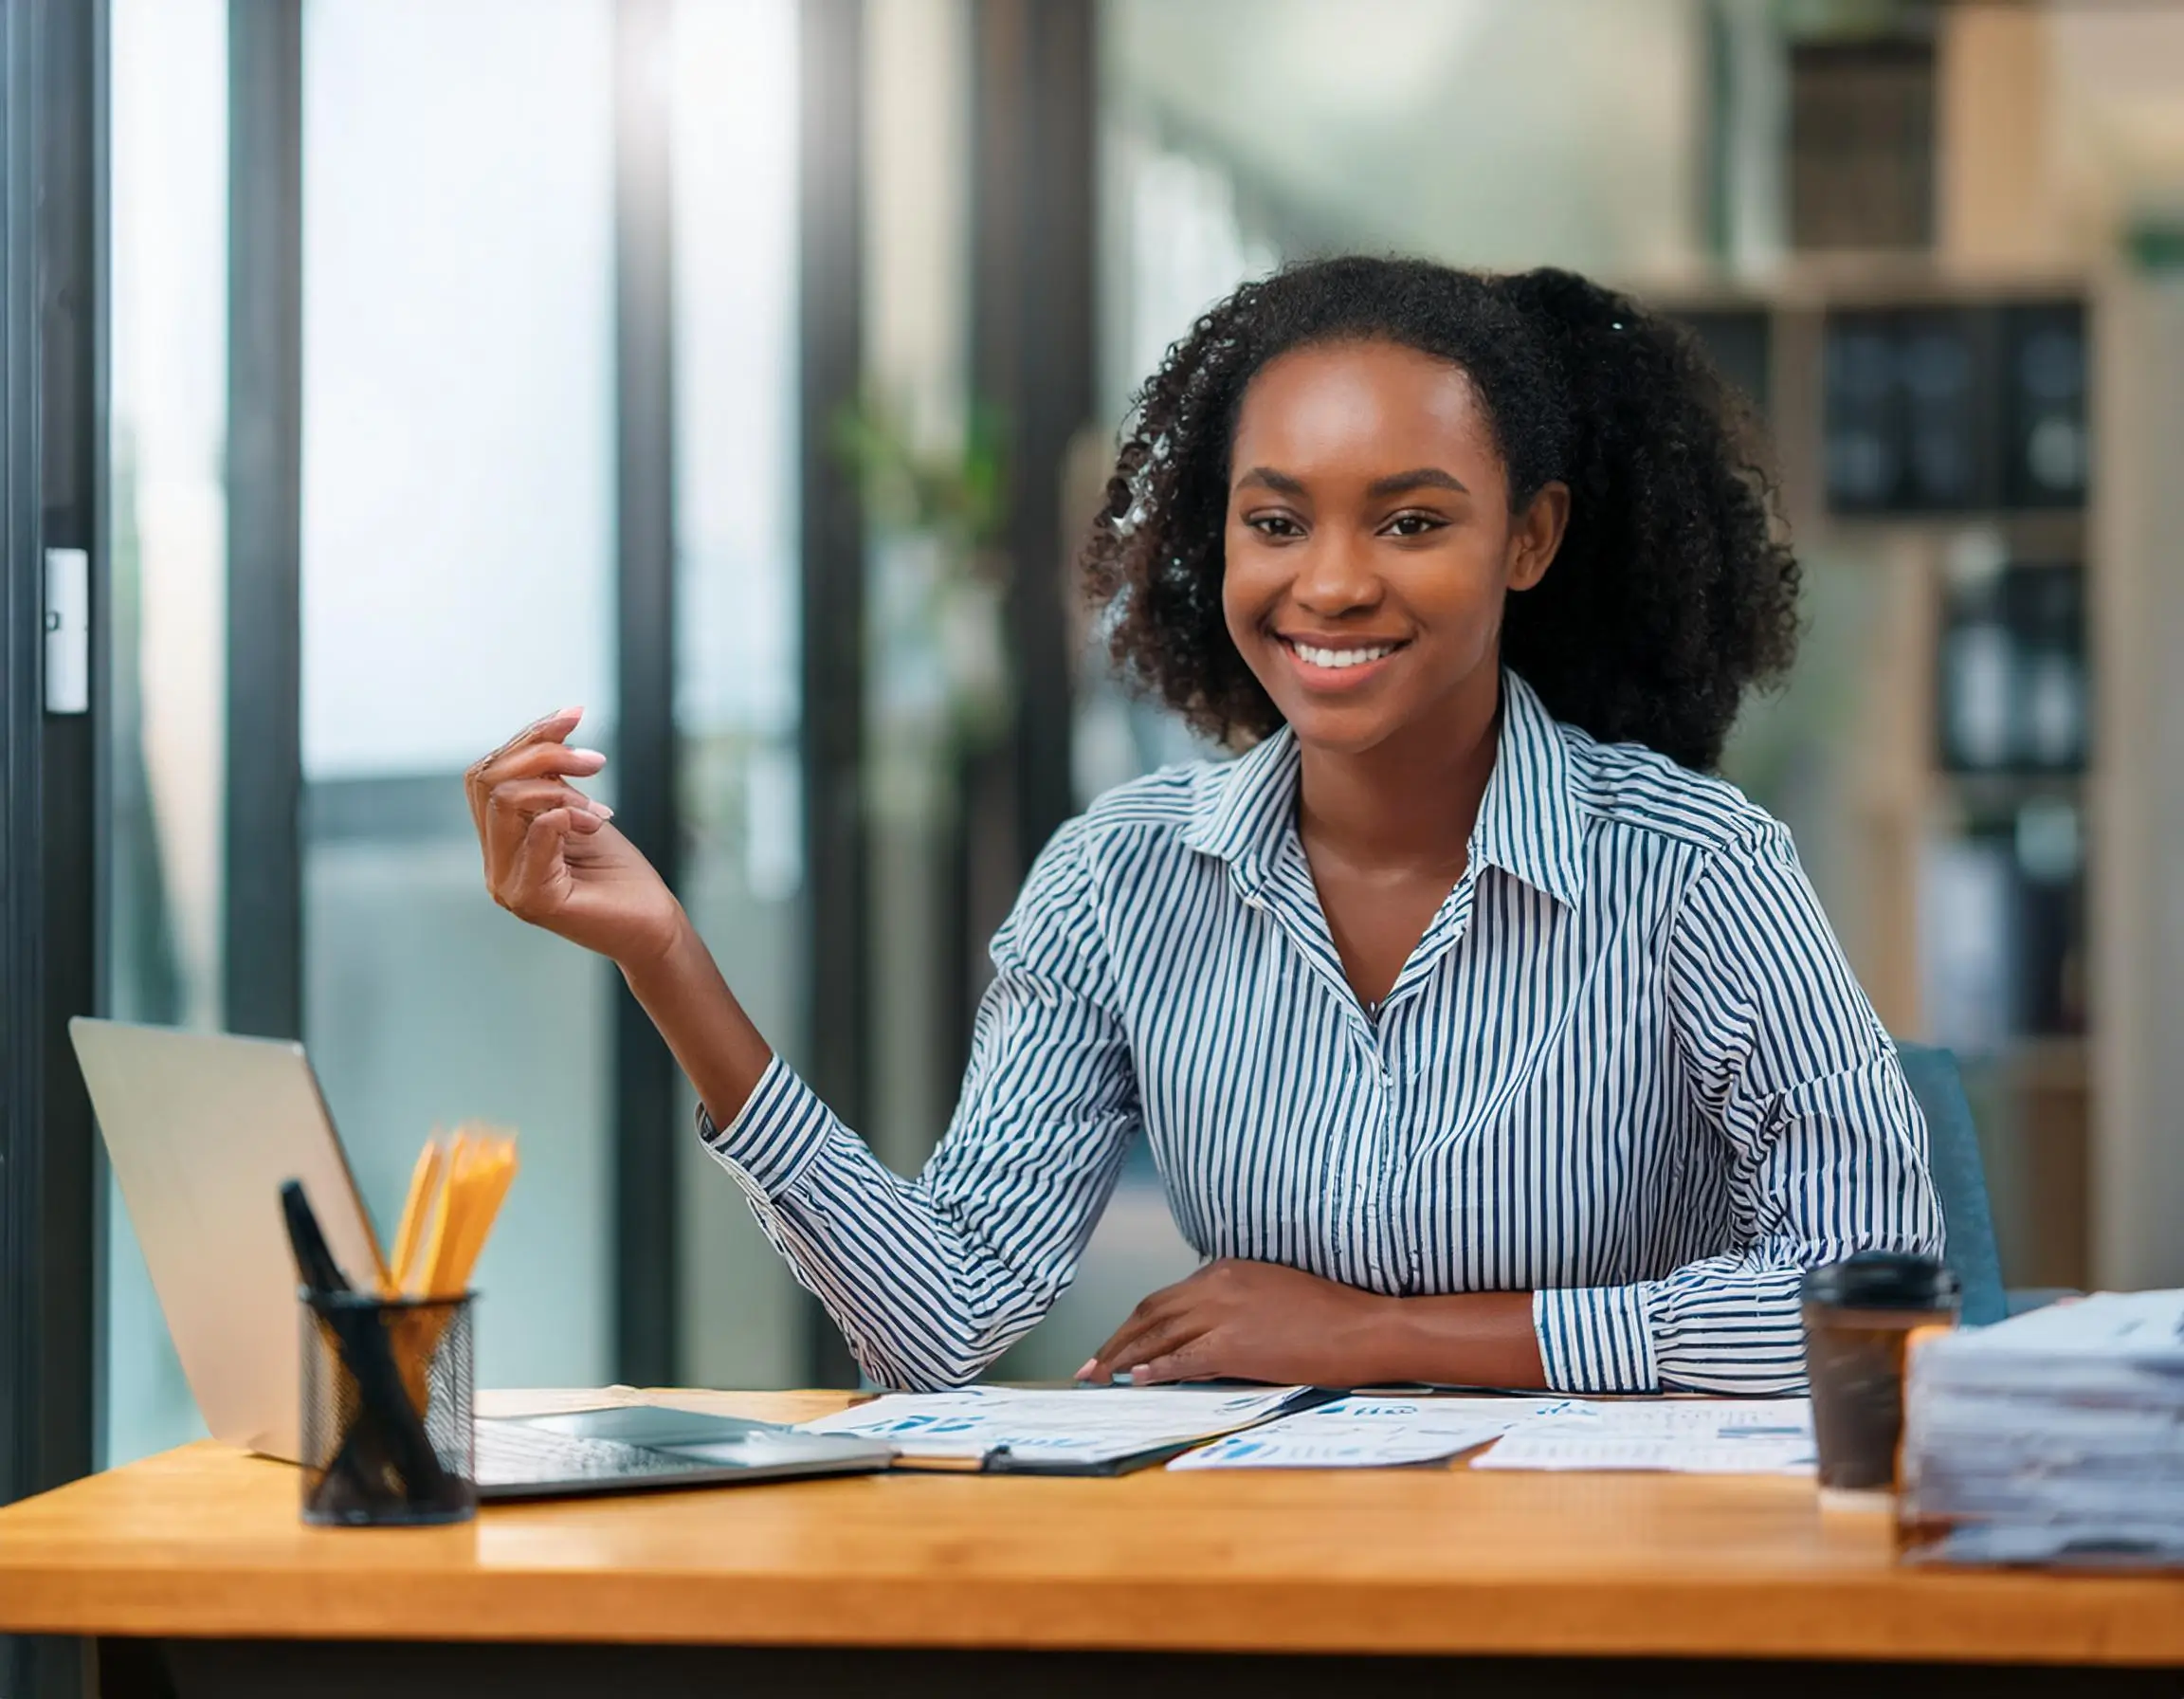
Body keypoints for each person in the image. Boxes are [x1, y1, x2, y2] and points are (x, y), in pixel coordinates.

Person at [464, 256, 1941, 1397]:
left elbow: (1878, 1296)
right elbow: (945, 1316)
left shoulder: (1694, 867)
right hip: (1264, 1580)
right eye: (1277, 520)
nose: (1333, 583)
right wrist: (667, 957)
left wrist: (1388, 1337)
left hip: (1617, 1601)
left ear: (1530, 536)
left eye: (1412, 523)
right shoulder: (1119, 881)